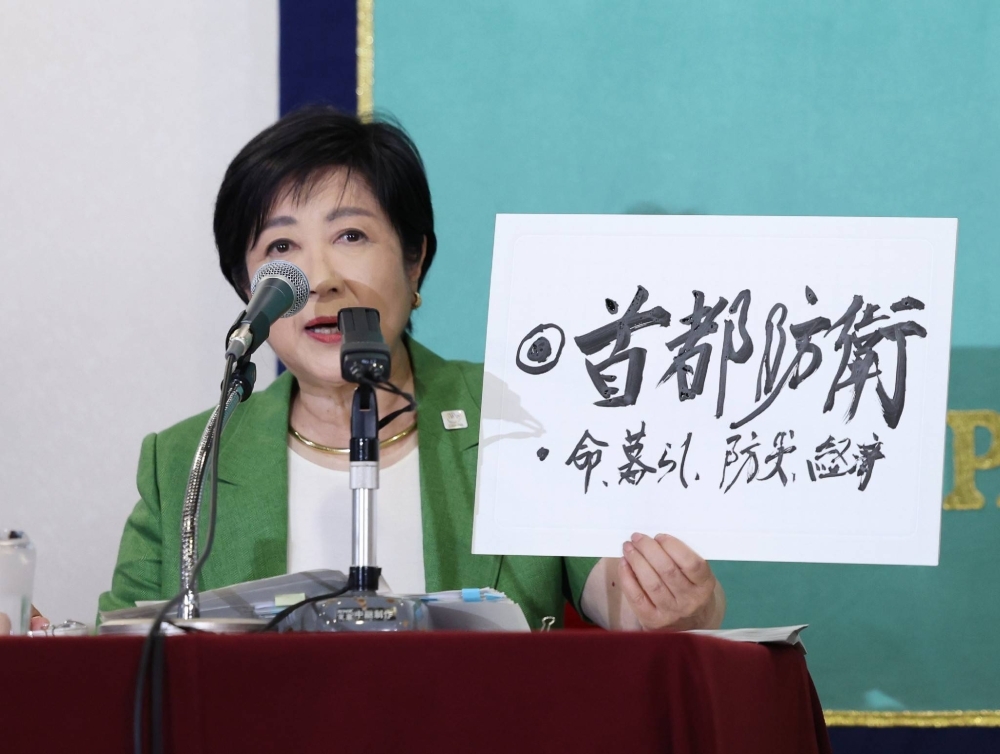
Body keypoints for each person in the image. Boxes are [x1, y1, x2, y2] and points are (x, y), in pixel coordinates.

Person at [96, 107, 725, 631]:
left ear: (415, 262)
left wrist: (668, 597)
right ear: (250, 291)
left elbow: (613, 586)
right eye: (280, 248)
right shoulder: (184, 462)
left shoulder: (520, 412)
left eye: (350, 236)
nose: (319, 279)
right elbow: (119, 661)